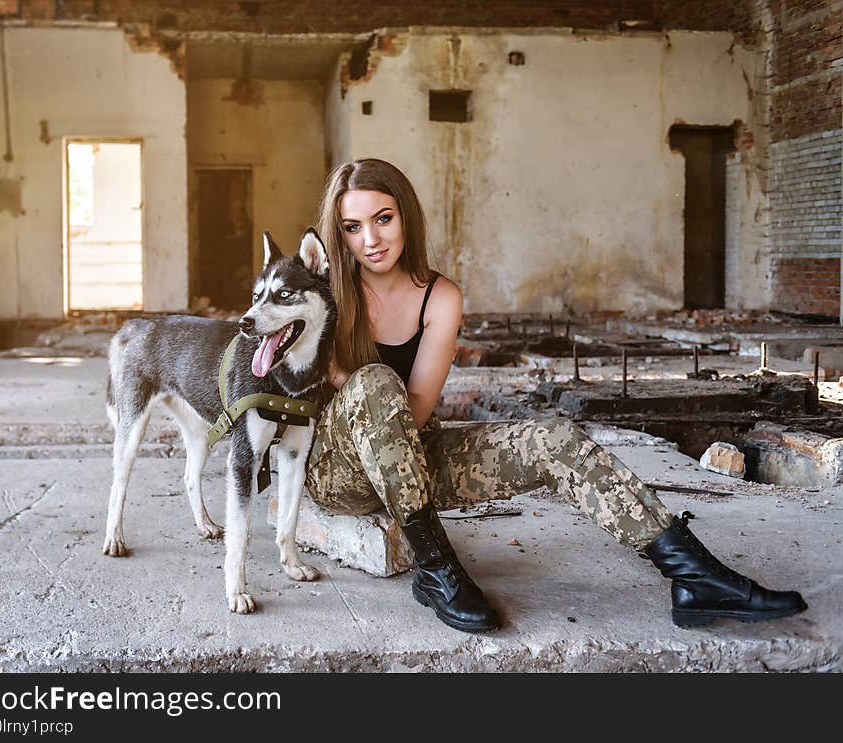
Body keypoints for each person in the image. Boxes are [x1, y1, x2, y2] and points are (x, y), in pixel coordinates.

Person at [303, 157, 807, 633]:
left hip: (411, 454)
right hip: (338, 470)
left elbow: (416, 409)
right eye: (352, 227)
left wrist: (340, 374)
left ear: (405, 215)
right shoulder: (320, 290)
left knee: (554, 438)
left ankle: (696, 577)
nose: (370, 239)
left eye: (383, 219)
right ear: (338, 234)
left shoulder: (441, 296)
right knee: (373, 383)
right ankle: (437, 570)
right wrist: (347, 382)